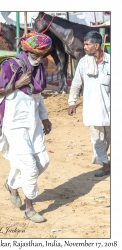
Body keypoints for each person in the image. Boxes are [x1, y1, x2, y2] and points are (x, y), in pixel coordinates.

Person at [0, 32, 52, 222]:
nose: (39, 58)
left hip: (32, 124)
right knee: (30, 167)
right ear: (27, 50)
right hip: (15, 124)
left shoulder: (39, 67)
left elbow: (37, 95)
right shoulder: (11, 66)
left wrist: (45, 118)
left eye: (42, 55)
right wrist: (16, 84)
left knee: (43, 161)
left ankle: (11, 184)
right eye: (36, 55)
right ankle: (30, 208)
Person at [68, 31, 110, 177]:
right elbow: (76, 84)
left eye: (87, 44)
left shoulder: (111, 61)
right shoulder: (83, 62)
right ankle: (105, 166)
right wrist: (72, 102)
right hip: (92, 109)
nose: (84, 47)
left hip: (110, 109)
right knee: (97, 139)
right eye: (84, 44)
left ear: (96, 45)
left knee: (110, 139)